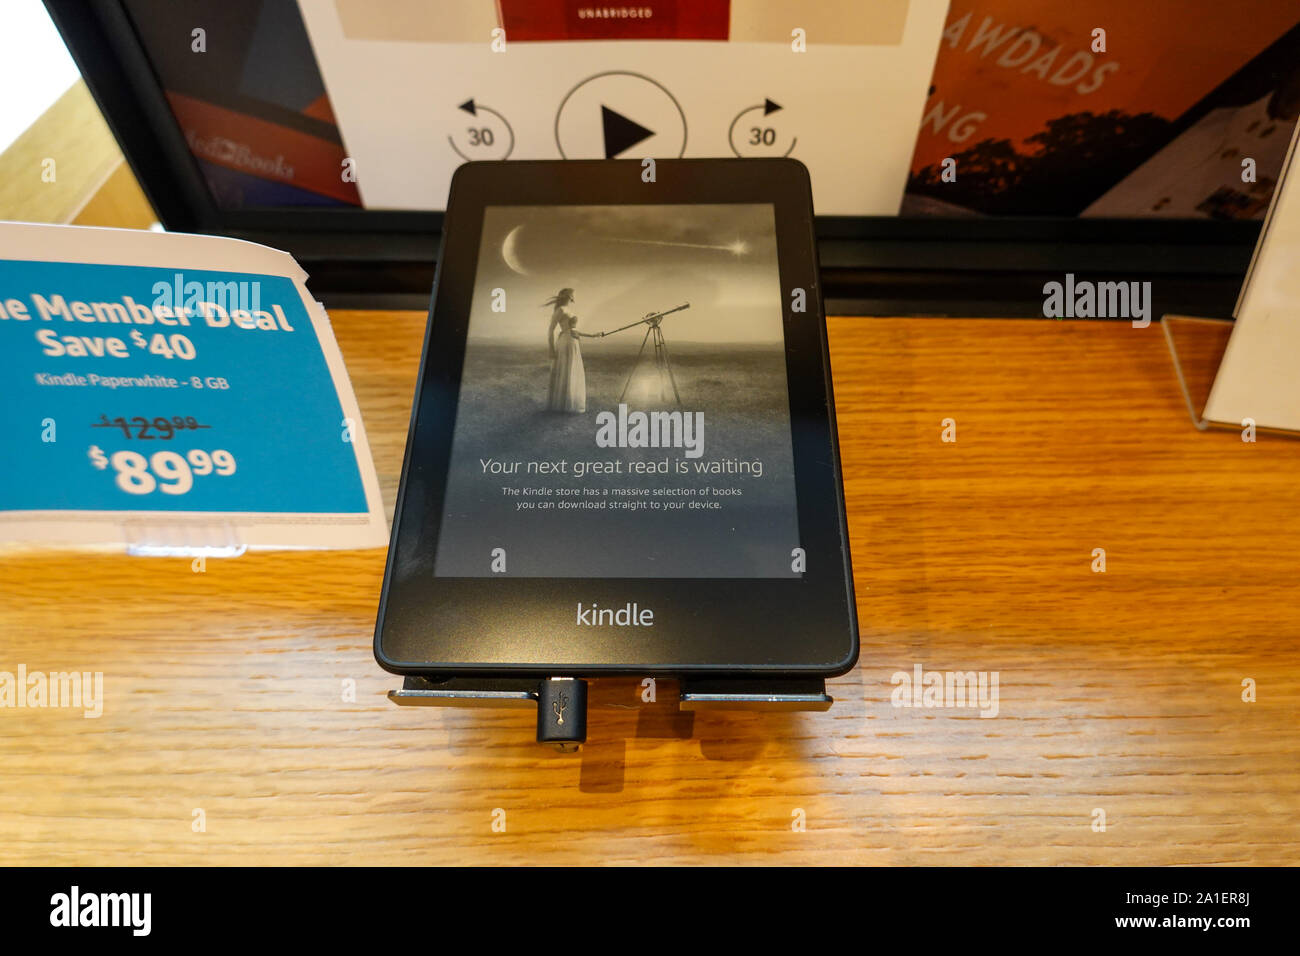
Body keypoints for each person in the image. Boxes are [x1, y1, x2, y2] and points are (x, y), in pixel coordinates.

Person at [544, 287, 601, 412]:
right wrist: (551, 349)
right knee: (566, 369)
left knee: (570, 370)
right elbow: (550, 330)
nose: (574, 297)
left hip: (572, 342)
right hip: (566, 343)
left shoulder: (567, 310)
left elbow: (573, 330)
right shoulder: (560, 310)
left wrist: (592, 335)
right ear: (569, 296)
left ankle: (568, 403)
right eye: (573, 295)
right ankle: (562, 405)